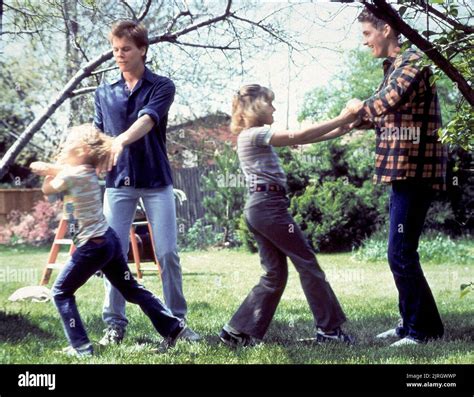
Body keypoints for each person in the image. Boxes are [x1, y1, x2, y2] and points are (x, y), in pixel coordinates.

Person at [339, 8, 448, 346]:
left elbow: (387, 100)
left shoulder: (414, 61)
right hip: (402, 172)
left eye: (367, 34)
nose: (365, 42)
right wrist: (353, 120)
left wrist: (359, 107)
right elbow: (383, 116)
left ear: (386, 29)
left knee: (399, 252)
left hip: (416, 171)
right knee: (401, 250)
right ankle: (411, 323)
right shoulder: (394, 68)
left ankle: (420, 331)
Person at [30, 125, 189, 357]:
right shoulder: (85, 171)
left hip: (93, 246)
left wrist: (46, 170)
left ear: (82, 150)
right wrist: (56, 169)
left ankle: (81, 347)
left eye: (68, 142)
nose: (63, 145)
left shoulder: (71, 174)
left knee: (61, 292)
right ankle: (173, 327)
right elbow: (61, 188)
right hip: (109, 242)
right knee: (131, 289)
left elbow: (48, 189)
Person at [219, 84, 358, 347]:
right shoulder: (253, 135)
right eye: (270, 103)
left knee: (274, 275)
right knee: (307, 264)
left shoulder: (253, 137)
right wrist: (342, 118)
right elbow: (297, 135)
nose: (274, 108)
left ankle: (235, 331)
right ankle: (329, 332)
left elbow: (304, 138)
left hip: (262, 207)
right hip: (269, 207)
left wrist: (342, 129)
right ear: (257, 108)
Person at [94, 20, 199, 344]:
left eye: (125, 49)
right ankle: (114, 324)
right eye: (115, 49)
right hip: (117, 183)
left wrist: (119, 141)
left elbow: (148, 119)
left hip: (156, 181)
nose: (119, 55)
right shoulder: (103, 91)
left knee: (167, 252)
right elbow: (98, 133)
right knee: (113, 255)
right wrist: (93, 155)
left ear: (142, 49)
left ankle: (176, 324)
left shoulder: (161, 86)